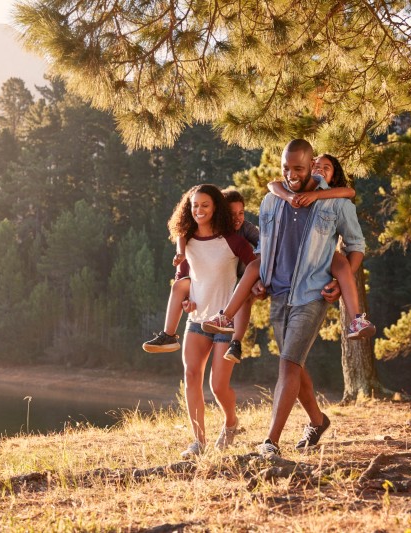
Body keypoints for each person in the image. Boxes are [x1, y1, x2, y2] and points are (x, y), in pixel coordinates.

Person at [254, 139, 366, 456]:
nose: (291, 174)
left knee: (288, 365)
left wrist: (339, 281)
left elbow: (356, 246)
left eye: (299, 168)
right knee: (295, 364)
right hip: (278, 294)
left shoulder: (336, 203)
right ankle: (317, 421)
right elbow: (263, 249)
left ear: (310, 165)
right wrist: (259, 283)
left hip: (312, 293)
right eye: (285, 168)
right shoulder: (270, 202)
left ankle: (270, 442)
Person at [201, 154, 375, 341]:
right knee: (253, 267)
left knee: (342, 265)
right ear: (308, 168)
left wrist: (315, 195)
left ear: (334, 175)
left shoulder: (335, 199)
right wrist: (290, 196)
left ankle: (357, 320)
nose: (320, 170)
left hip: (320, 251)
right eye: (316, 166)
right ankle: (225, 317)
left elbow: (349, 192)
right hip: (287, 252)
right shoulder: (293, 189)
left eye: (327, 168)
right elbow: (272, 185)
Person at [164, 184, 256, 458]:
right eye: (195, 206)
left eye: (205, 205)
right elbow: (183, 278)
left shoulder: (234, 241)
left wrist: (258, 291)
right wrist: (185, 300)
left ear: (215, 207)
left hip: (224, 322)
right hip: (196, 320)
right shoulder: (188, 241)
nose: (199, 210)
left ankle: (231, 423)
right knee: (191, 376)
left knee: (218, 386)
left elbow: (255, 270)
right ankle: (198, 442)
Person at [142, 189, 259, 358]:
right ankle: (168, 335)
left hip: (238, 284)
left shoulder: (242, 233)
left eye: (240, 213)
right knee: (180, 284)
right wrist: (187, 299)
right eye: (195, 206)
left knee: (244, 295)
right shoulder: (191, 237)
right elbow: (182, 264)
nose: (236, 218)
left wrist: (259, 279)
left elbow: (262, 247)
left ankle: (236, 342)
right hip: (200, 315)